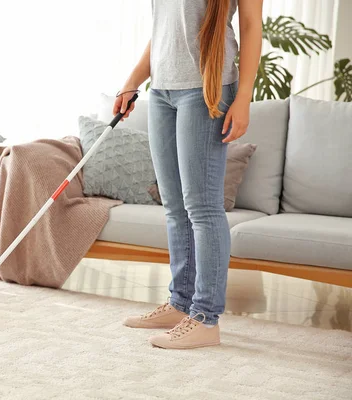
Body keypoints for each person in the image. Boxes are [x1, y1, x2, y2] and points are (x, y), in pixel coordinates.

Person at [118, 0, 263, 349]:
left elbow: (251, 26)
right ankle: (180, 303)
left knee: (203, 207)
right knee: (174, 205)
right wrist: (131, 83)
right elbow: (162, 33)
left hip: (206, 88)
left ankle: (205, 317)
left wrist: (243, 97)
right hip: (162, 90)